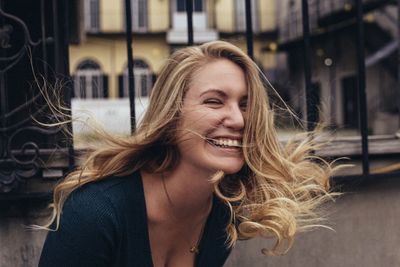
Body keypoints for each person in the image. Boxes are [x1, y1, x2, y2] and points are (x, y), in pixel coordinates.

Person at [38, 41, 336, 267]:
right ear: (172, 115)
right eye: (214, 101)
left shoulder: (222, 216)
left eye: (245, 104)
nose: (239, 119)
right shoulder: (94, 214)